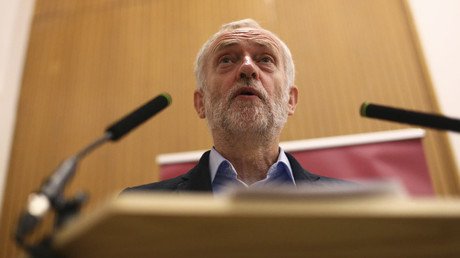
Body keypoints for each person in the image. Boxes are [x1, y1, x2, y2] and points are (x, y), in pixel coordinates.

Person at [124, 19, 341, 193]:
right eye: (226, 60)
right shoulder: (137, 208)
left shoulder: (351, 207)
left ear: (290, 100)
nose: (247, 68)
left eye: (265, 59)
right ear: (201, 103)